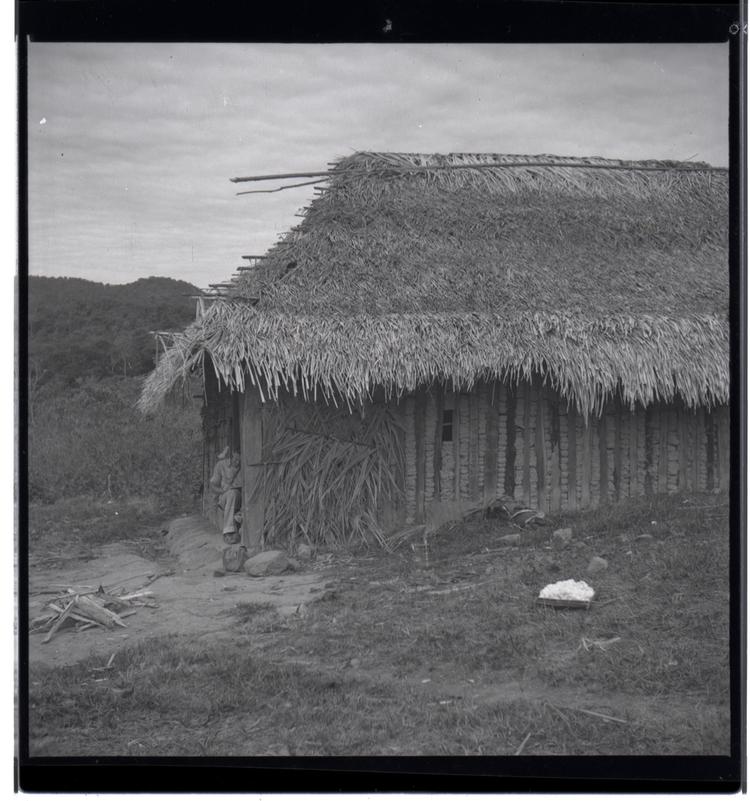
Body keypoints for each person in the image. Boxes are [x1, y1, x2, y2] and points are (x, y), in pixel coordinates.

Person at [209, 447, 242, 541]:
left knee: (234, 493)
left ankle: (236, 524)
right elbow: (213, 486)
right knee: (231, 493)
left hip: (239, 499)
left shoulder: (244, 467)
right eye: (236, 459)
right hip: (224, 499)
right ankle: (228, 531)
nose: (237, 463)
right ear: (231, 456)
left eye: (239, 460)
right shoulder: (221, 465)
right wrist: (223, 491)